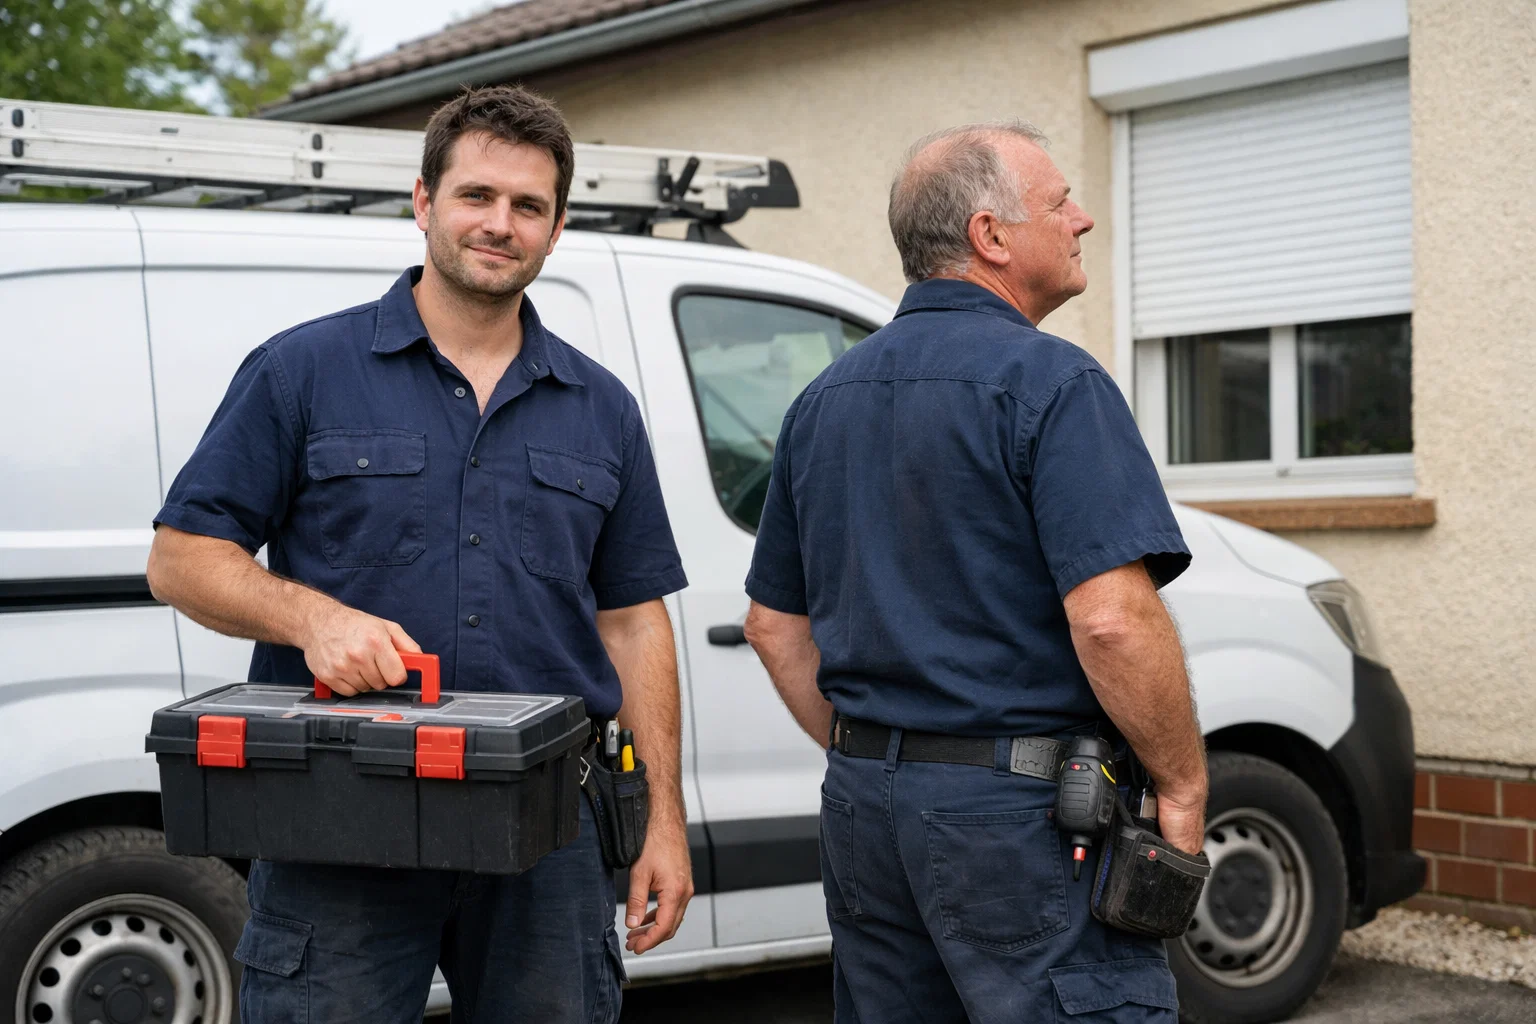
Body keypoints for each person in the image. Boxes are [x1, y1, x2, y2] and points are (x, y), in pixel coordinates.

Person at [145, 85, 693, 1024]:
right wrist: (312, 618)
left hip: (549, 831)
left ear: (556, 230)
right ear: (423, 202)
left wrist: (664, 821)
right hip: (339, 816)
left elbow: (634, 620)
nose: (499, 224)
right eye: (477, 195)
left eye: (528, 206)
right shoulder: (301, 372)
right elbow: (181, 557)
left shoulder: (601, 407)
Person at [742, 121, 1208, 1022]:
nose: (1083, 220)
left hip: (863, 808)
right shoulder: (1053, 384)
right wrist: (1183, 786)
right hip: (1020, 824)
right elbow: (1112, 619)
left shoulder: (819, 402)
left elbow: (773, 626)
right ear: (991, 236)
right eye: (1061, 201)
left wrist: (893, 754)